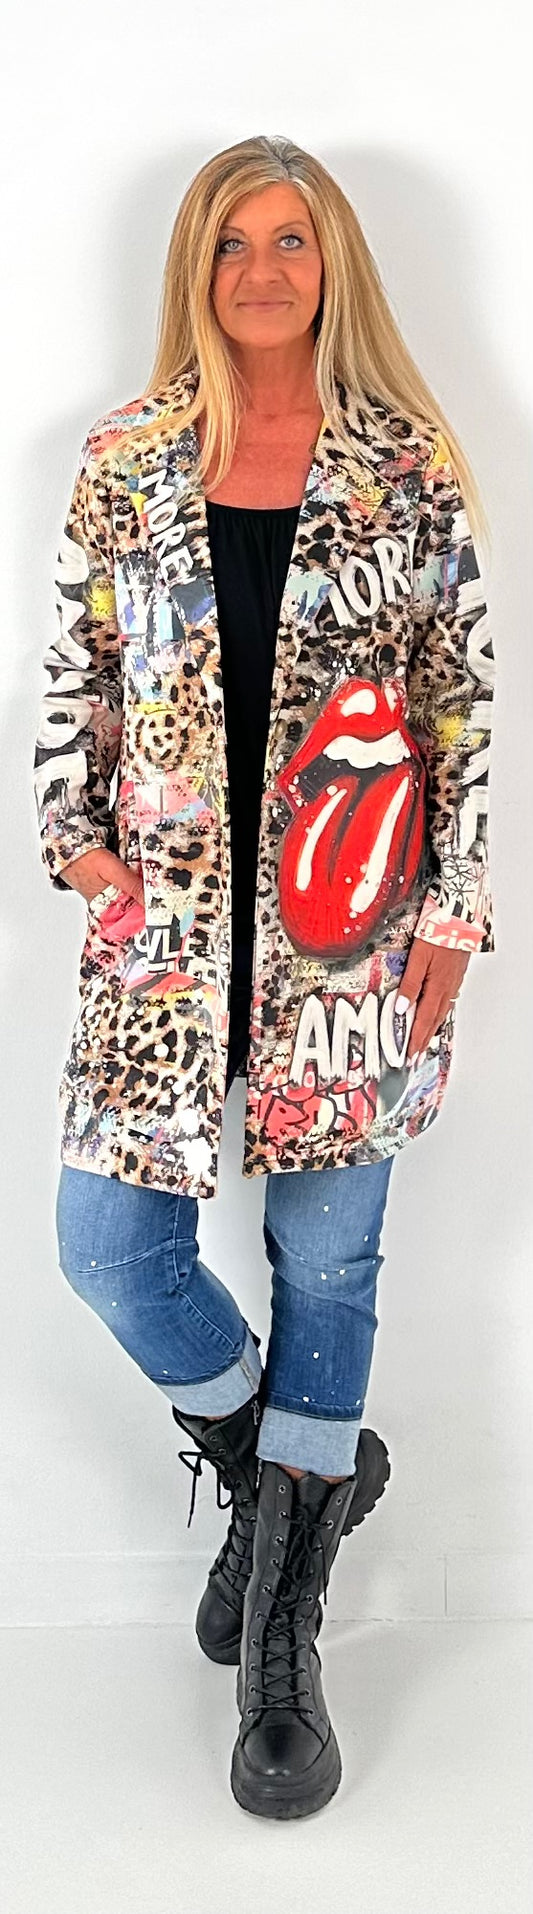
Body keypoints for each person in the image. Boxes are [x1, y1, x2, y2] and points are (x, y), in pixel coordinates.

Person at [33, 133, 496, 1821]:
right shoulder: (126, 457)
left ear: (332, 263)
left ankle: (284, 1637)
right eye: (232, 241)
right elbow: (75, 676)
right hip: (162, 930)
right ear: (197, 268)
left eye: (291, 239)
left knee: (329, 1256)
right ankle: (295, 1469)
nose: (261, 269)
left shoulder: (403, 465)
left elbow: (458, 699)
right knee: (106, 1243)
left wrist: (453, 912)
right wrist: (78, 847)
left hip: (349, 936)